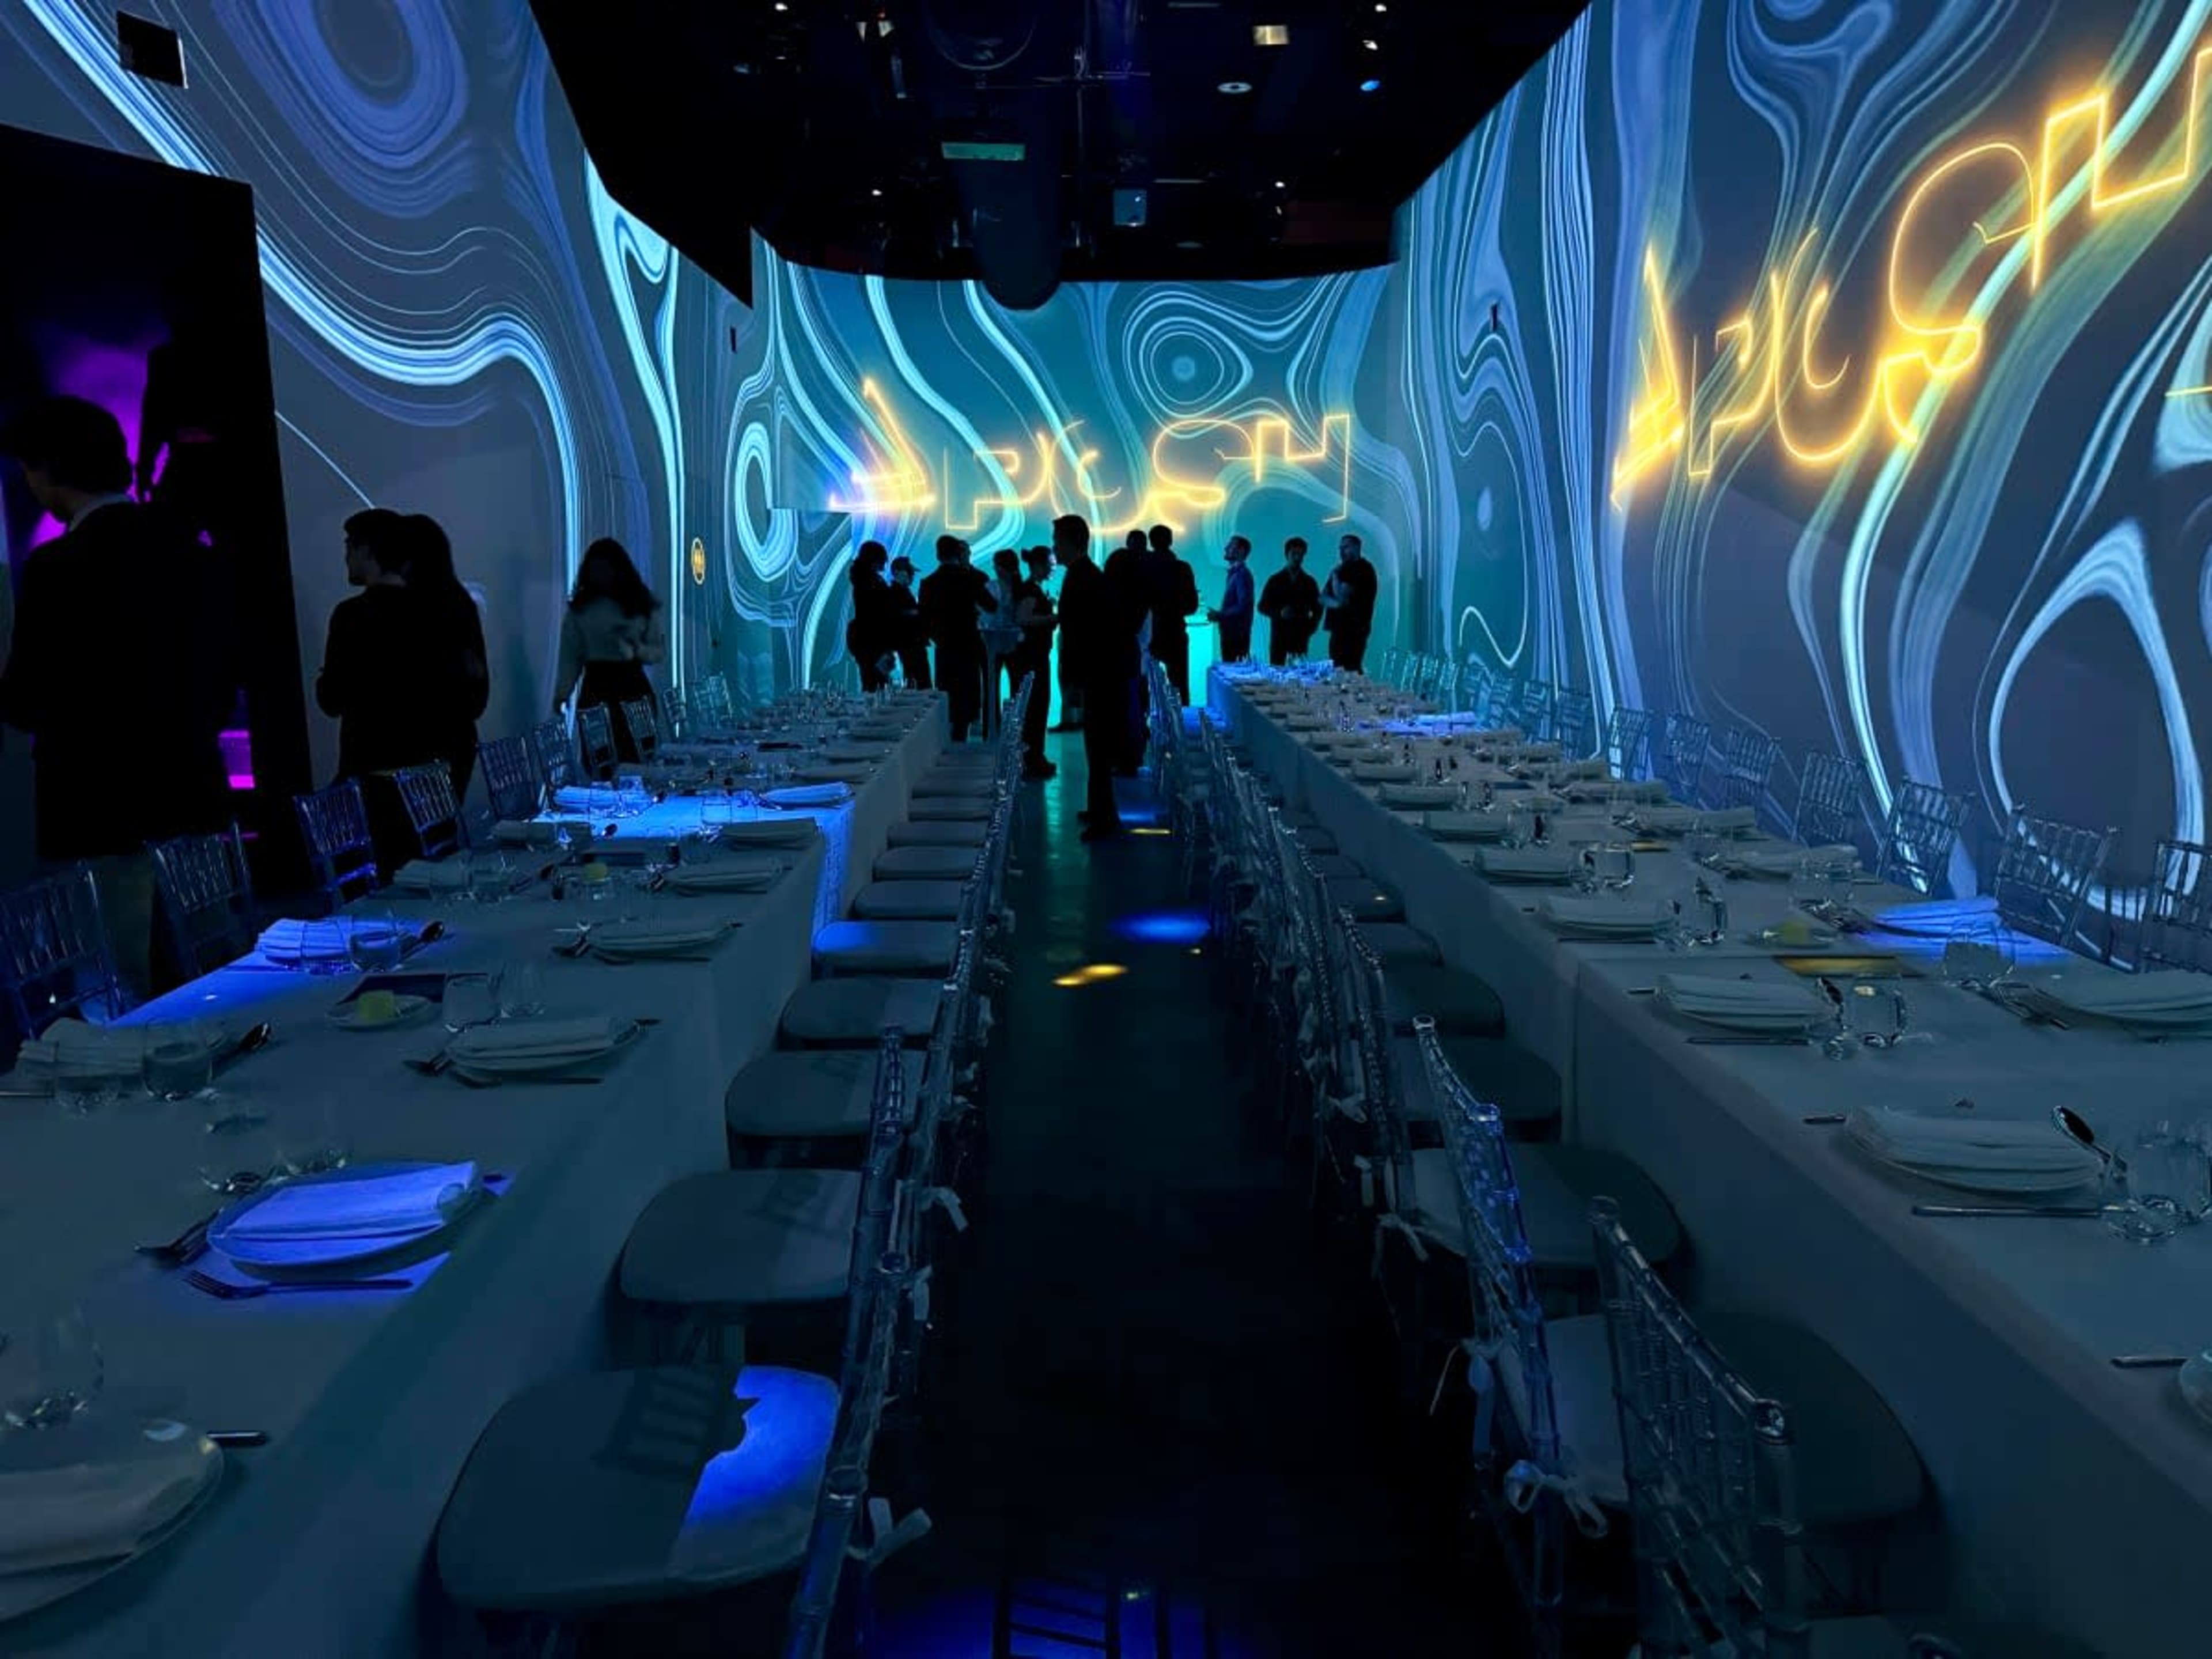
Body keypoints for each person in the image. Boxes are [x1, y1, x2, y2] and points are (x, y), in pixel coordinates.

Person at [0, 396, 233, 1001]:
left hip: (97, 813)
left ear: (48, 469)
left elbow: (27, 699)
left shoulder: (57, 567)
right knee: (219, 976)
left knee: (115, 991)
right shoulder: (195, 554)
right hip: (193, 797)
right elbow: (221, 680)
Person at [1054, 514, 1141, 840]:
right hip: (1107, 674)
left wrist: (1074, 681)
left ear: (1071, 542)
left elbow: (1080, 635)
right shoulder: (1088, 575)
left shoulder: (1082, 578)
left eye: (1057, 542)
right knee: (1098, 748)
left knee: (1098, 748)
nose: (1054, 549)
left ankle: (1104, 818)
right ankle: (1099, 810)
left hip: (1101, 677)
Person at [396, 513, 490, 799]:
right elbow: (477, 682)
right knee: (442, 830)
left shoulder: (410, 610)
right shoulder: (460, 602)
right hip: (459, 736)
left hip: (423, 742)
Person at [552, 537, 666, 761]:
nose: (601, 576)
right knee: (601, 759)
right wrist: (562, 693)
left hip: (629, 687)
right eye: (596, 570)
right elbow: (570, 657)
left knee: (637, 755)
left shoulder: (640, 605)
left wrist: (637, 648)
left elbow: (658, 652)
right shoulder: (581, 611)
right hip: (599, 689)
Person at [919, 535, 995, 740]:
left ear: (938, 555)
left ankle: (947, 745)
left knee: (947, 699)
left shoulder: (928, 583)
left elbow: (924, 621)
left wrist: (939, 637)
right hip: (969, 645)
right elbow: (991, 606)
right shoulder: (972, 578)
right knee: (967, 701)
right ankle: (961, 742)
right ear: (959, 554)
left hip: (945, 648)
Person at [1139, 523, 1200, 706]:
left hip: (1149, 633)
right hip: (1175, 632)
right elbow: (1192, 605)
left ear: (1150, 542)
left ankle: (1144, 727)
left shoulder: (1143, 568)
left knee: (1144, 684)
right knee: (1180, 684)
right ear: (1171, 541)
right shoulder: (1182, 568)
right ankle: (1181, 727)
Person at [1009, 546, 1057, 779]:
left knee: (1036, 708)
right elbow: (1023, 618)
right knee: (1035, 708)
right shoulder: (1030, 590)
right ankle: (1033, 758)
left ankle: (1034, 756)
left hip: (1033, 656)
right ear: (1038, 565)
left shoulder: (1032, 589)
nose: (1053, 567)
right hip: (1033, 658)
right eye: (1050, 563)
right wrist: (1052, 618)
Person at [1258, 536, 1323, 665]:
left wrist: (1311, 628)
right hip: (1279, 637)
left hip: (1300, 637)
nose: (1297, 558)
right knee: (1277, 674)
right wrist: (1279, 613)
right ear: (1286, 554)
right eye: (1294, 554)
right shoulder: (1275, 580)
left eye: (1301, 554)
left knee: (1298, 675)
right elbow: (1262, 606)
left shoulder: (1309, 583)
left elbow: (1318, 608)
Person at [1321, 532, 1378, 675]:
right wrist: (1337, 604)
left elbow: (1342, 596)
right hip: (1338, 630)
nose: (1341, 551)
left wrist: (1334, 577)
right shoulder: (1343, 569)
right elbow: (1322, 597)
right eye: (1340, 548)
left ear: (1357, 548)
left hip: (1354, 631)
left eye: (1346, 547)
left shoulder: (1363, 569)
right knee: (1337, 668)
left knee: (1350, 670)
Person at [845, 540, 897, 692]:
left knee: (873, 683)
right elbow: (878, 615)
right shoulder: (870, 583)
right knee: (877, 685)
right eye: (882, 560)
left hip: (868, 642)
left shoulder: (863, 581)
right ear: (875, 559)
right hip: (874, 643)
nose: (885, 564)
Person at [1207, 535, 1255, 665]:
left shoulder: (1242, 574)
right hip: (1233, 635)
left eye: (1231, 546)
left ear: (1241, 551)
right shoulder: (1237, 574)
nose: (1226, 548)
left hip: (1236, 637)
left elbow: (1243, 606)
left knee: (1234, 675)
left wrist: (1220, 615)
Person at [888, 555, 930, 688]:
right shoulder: (895, 592)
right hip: (909, 644)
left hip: (913, 643)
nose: (912, 575)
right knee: (919, 682)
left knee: (918, 681)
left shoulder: (903, 591)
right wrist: (920, 612)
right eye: (908, 571)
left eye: (911, 572)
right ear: (896, 572)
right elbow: (899, 615)